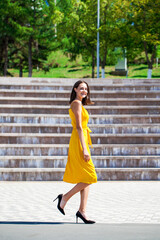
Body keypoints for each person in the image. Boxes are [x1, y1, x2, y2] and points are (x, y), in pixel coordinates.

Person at [53, 80, 97, 224]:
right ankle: (64, 198)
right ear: (75, 89)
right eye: (81, 88)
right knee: (91, 175)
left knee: (86, 178)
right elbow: (78, 126)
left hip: (81, 139)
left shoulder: (79, 104)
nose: (84, 91)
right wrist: (84, 149)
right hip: (79, 141)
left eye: (86, 89)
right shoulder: (76, 104)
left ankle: (82, 211)